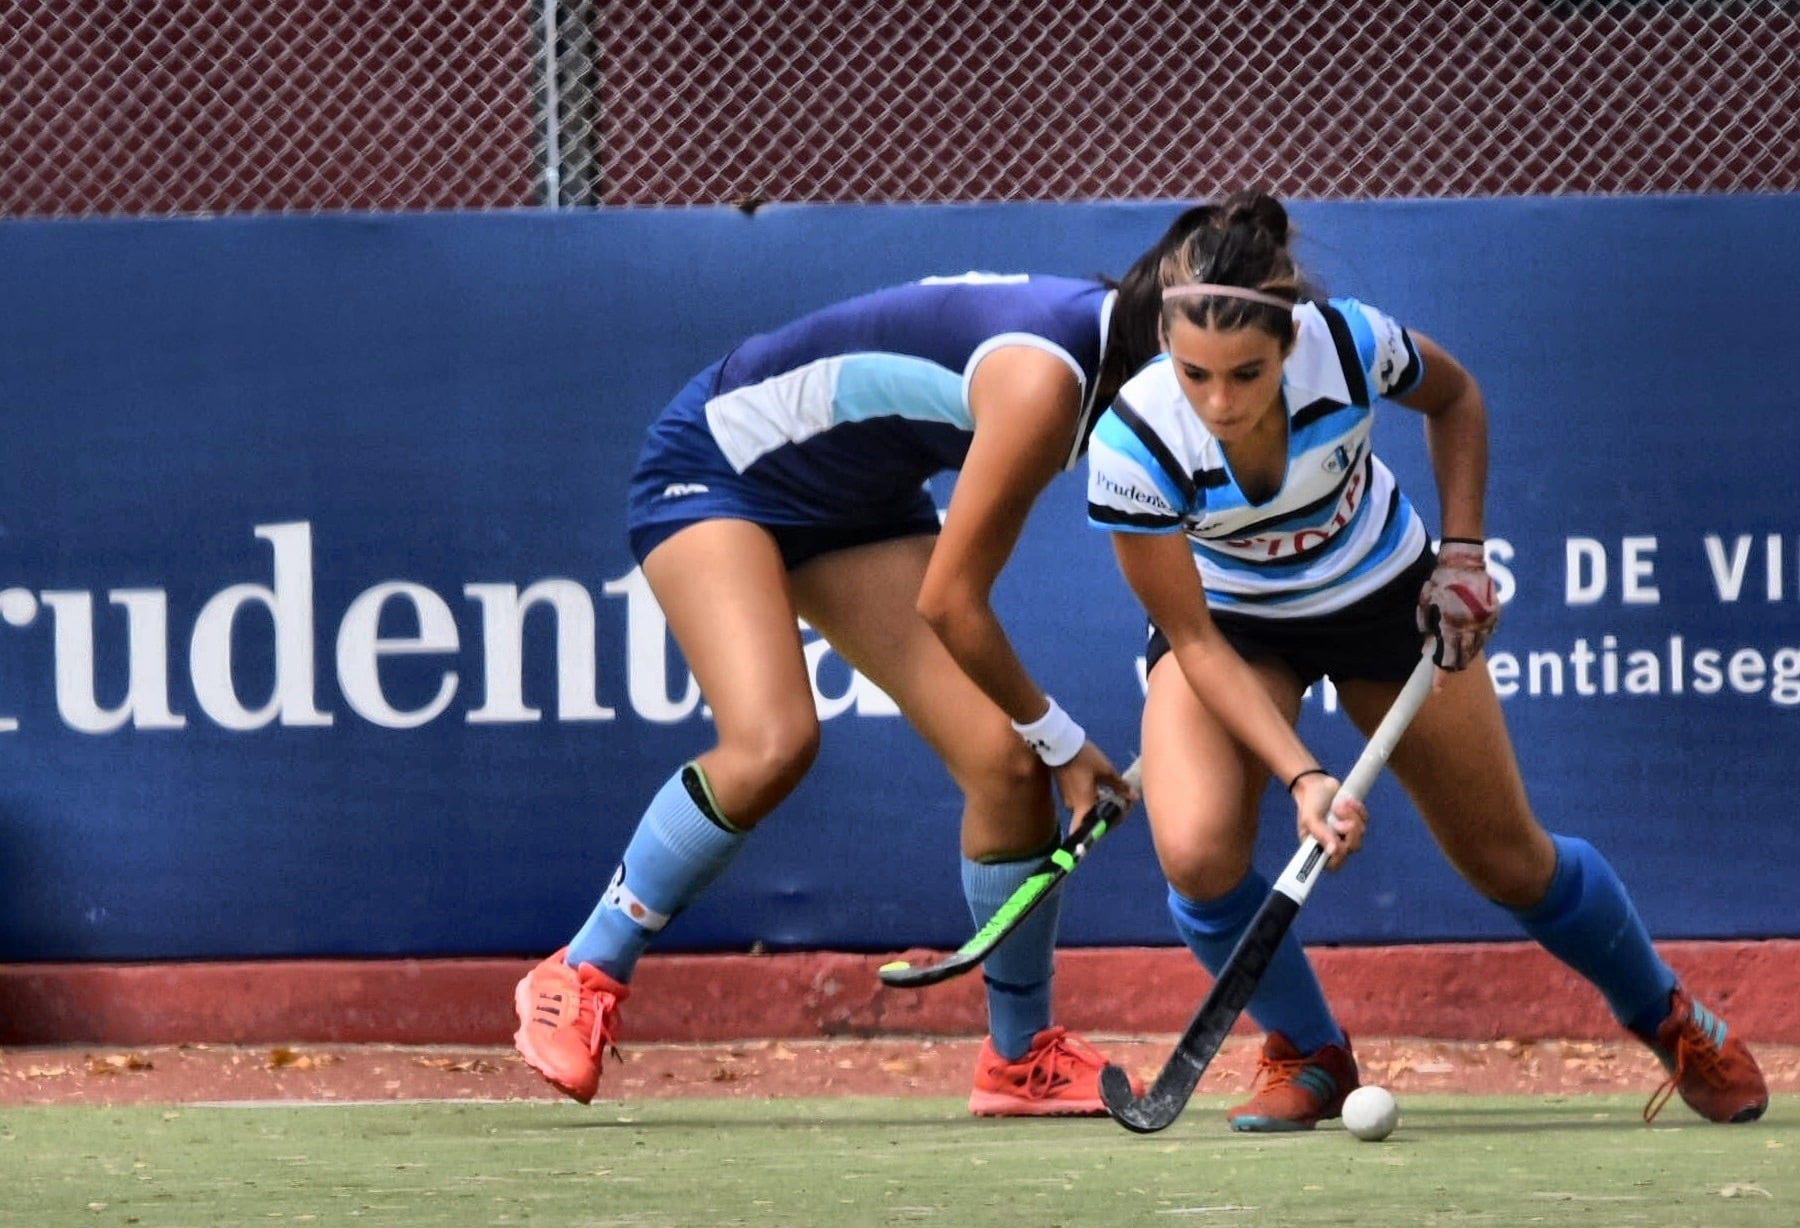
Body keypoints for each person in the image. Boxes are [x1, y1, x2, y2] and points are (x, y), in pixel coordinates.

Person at [1085, 191, 1768, 1131]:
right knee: (1197, 852)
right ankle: (1311, 1053)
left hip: (1380, 599)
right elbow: (1194, 639)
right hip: (1232, 628)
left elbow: (1456, 399)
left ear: (1290, 340)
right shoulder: (1132, 442)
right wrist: (1304, 776)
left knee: (1508, 861)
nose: (1220, 403)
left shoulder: (1351, 344)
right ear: (1166, 343)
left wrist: (1464, 554)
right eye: (1195, 373)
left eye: (1247, 374)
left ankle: (1667, 1015)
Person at [514, 261, 1175, 1115]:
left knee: (1004, 765)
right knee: (774, 742)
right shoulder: (1047, 380)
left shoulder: (1150, 365)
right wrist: (1065, 740)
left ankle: (1020, 1059)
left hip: (860, 506)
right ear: (1164, 340)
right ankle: (581, 969)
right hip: (719, 467)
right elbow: (952, 601)